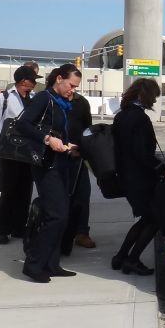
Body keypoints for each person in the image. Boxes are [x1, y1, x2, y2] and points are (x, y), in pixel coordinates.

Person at [15, 63, 82, 283]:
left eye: (75, 87)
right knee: (57, 215)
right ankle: (33, 264)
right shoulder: (44, 98)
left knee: (60, 216)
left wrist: (67, 145)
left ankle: (51, 264)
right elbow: (22, 124)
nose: (73, 90)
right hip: (46, 165)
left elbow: (56, 131)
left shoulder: (61, 103)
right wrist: (47, 139)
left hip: (60, 162)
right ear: (60, 78)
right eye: (71, 85)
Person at [111, 78, 165, 276]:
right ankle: (132, 260)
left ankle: (121, 257)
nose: (154, 101)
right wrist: (160, 167)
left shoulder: (121, 116)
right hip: (141, 178)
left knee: (145, 218)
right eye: (154, 97)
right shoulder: (140, 118)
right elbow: (142, 153)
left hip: (126, 176)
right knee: (154, 220)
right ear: (146, 96)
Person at [0, 65, 37, 243]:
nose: (34, 84)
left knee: (25, 191)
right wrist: (1, 147)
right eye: (32, 80)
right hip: (9, 155)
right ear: (22, 81)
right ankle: (2, 230)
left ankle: (19, 228)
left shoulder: (35, 99)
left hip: (27, 154)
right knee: (8, 191)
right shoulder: (4, 98)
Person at [61, 90, 96, 254]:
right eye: (71, 84)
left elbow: (87, 130)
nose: (72, 89)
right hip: (54, 157)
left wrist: (82, 149)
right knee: (59, 197)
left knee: (82, 194)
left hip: (77, 157)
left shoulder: (81, 102)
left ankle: (82, 232)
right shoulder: (48, 99)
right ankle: (59, 232)